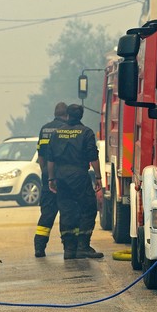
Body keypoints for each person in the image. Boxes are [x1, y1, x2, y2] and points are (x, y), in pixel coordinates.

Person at [47, 104, 104, 260]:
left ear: (67, 115)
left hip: (61, 177)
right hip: (79, 176)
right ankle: (83, 247)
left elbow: (50, 159)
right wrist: (98, 177)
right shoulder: (86, 132)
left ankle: (69, 250)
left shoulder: (57, 133)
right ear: (81, 115)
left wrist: (51, 178)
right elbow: (93, 157)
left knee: (66, 210)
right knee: (88, 208)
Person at [33, 102, 68, 258]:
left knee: (47, 213)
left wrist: (45, 172)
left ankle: (39, 248)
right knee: (67, 212)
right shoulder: (67, 130)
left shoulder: (44, 129)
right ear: (66, 115)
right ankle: (69, 248)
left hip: (47, 176)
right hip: (64, 176)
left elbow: (41, 155)